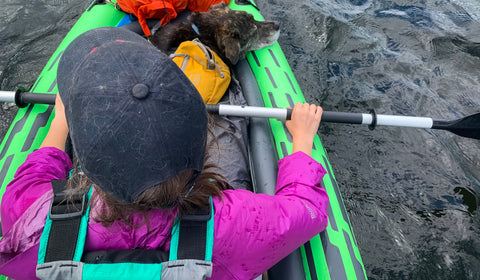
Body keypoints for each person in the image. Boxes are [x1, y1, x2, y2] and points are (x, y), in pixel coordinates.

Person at [0, 27, 329, 280]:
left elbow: (34, 176)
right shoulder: (235, 224)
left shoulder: (35, 216)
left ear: (88, 160)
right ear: (201, 140)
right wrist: (301, 142)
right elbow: (305, 209)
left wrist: (62, 121)